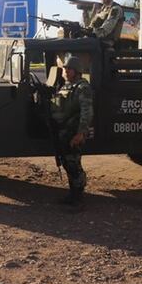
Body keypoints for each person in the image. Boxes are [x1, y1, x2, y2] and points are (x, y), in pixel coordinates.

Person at [49, 53, 93, 209]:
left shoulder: (82, 87)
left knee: (74, 164)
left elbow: (87, 112)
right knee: (67, 162)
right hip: (64, 131)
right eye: (65, 69)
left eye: (69, 69)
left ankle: (79, 197)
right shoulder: (66, 85)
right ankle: (73, 194)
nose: (66, 71)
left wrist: (81, 133)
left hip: (73, 132)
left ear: (77, 71)